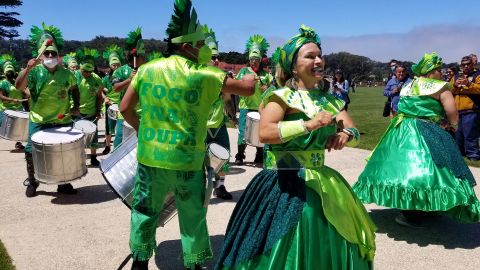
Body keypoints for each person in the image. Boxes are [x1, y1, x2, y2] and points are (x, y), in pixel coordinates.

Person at [216, 25, 375, 270]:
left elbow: (354, 132)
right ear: (293, 65)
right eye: (310, 56)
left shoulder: (331, 100)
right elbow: (265, 133)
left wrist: (344, 135)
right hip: (282, 178)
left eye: (320, 55)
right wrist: (309, 124)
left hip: (321, 181)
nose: (319, 60)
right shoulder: (280, 97)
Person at [120, 1, 256, 269]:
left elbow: (125, 108)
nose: (205, 47)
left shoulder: (147, 70)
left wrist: (142, 130)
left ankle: (139, 262)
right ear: (186, 45)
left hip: (150, 158)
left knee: (145, 211)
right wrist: (249, 77)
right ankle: (193, 265)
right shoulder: (206, 75)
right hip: (187, 161)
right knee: (192, 215)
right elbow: (248, 89)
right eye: (201, 43)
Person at [353, 53, 480, 228]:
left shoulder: (407, 85)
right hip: (427, 129)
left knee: (401, 170)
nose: (441, 72)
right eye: (437, 69)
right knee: (433, 169)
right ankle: (422, 208)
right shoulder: (440, 86)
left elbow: (399, 107)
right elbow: (451, 111)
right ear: (430, 71)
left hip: (402, 130)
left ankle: (412, 208)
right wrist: (454, 125)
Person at [15, 23, 80, 197]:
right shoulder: (34, 72)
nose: (50, 55)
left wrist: (75, 107)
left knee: (62, 152)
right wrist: (27, 68)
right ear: (42, 55)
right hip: (39, 119)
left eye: (53, 53)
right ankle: (33, 181)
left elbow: (75, 88)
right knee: (30, 151)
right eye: (47, 53)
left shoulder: (67, 73)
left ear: (58, 56)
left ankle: (63, 183)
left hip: (62, 119)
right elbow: (19, 85)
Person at [234, 34, 273, 165]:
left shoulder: (266, 75)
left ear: (261, 59)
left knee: (260, 133)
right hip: (246, 105)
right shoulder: (244, 71)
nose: (253, 62)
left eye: (256, 59)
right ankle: (240, 155)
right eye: (251, 59)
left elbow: (273, 91)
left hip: (260, 107)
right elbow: (236, 84)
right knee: (242, 131)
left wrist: (266, 88)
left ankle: (259, 155)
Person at [204, 26, 233, 200]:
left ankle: (220, 186)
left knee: (224, 156)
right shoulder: (197, 76)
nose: (216, 60)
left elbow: (228, 99)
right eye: (213, 57)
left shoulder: (221, 76)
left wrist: (231, 114)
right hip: (202, 126)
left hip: (219, 124)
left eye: (217, 57)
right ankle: (201, 187)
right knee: (201, 159)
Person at [112, 27, 146, 148]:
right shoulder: (120, 71)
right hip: (126, 112)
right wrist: (129, 80)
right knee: (120, 138)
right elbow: (116, 88)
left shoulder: (148, 69)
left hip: (145, 113)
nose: (144, 57)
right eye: (142, 55)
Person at [74, 47, 104, 166]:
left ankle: (93, 157)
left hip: (91, 112)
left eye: (89, 72)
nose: (87, 74)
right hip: (77, 112)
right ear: (80, 67)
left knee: (93, 137)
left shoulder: (96, 79)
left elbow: (99, 96)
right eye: (85, 71)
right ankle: (79, 159)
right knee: (77, 138)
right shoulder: (73, 76)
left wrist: (98, 110)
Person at [451, 55, 480, 161]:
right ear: (461, 65)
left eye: (468, 64)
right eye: (464, 64)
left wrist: (468, 83)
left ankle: (473, 155)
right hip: (457, 111)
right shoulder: (455, 76)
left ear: (473, 64)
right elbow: (448, 91)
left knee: (470, 134)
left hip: (471, 110)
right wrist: (454, 86)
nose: (466, 66)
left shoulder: (477, 75)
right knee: (458, 135)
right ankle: (460, 155)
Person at [0, 54, 27, 151]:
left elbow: (22, 91)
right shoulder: (2, 83)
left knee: (19, 128)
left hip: (18, 108)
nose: (10, 72)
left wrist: (27, 94)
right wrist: (13, 100)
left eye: (11, 70)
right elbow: (1, 97)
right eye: (8, 71)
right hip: (5, 109)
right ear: (5, 72)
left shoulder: (17, 81)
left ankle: (18, 144)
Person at [101, 44, 123, 155]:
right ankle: (107, 146)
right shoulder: (105, 79)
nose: (116, 66)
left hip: (122, 105)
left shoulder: (124, 76)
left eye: (117, 65)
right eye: (113, 65)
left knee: (120, 128)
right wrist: (105, 98)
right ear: (110, 66)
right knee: (109, 127)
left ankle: (119, 147)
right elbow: (100, 91)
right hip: (110, 104)